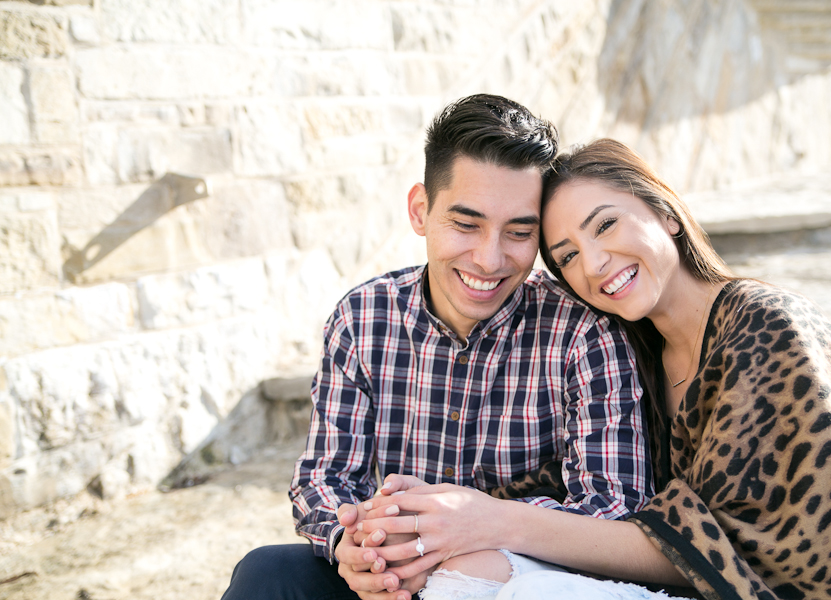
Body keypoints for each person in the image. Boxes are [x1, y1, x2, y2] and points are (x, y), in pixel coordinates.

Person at [356, 138, 831, 599]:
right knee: (465, 573)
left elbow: (716, 546)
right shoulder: (639, 348)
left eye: (606, 225)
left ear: (665, 212)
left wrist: (492, 519)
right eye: (566, 255)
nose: (593, 264)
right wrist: (407, 524)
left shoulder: (766, 327)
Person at [220, 100, 654, 600]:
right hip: (394, 568)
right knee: (265, 574)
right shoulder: (362, 318)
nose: (490, 260)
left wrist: (476, 531)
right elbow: (326, 475)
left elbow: (612, 505)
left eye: (519, 232)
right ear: (420, 211)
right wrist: (355, 543)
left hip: (519, 579)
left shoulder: (582, 331)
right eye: (466, 225)